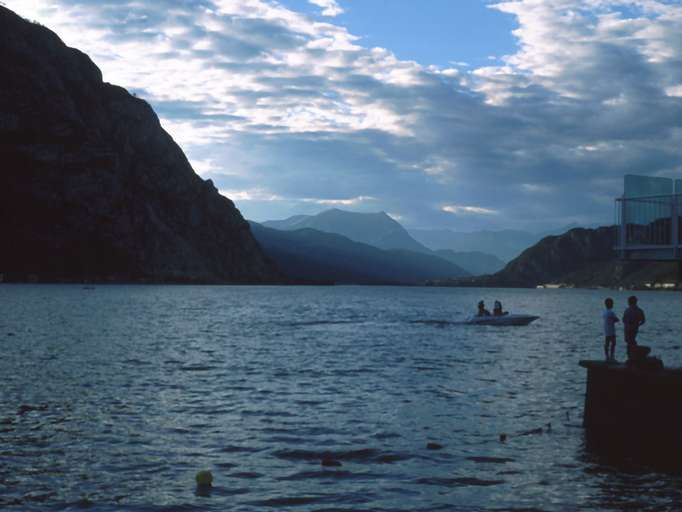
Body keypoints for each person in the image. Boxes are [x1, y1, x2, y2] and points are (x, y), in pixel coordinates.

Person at [623, 295, 647, 362]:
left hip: (628, 328)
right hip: (634, 328)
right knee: (632, 341)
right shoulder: (639, 310)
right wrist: (638, 325)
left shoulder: (627, 310)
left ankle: (631, 357)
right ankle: (632, 357)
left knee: (630, 342)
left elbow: (624, 320)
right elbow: (643, 320)